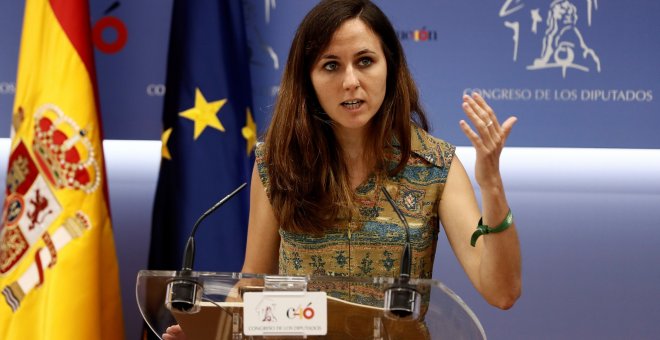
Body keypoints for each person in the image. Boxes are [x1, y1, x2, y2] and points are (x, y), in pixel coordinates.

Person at [164, 0, 520, 338]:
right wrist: (214, 332)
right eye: (331, 65)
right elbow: (254, 284)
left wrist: (492, 188)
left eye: (365, 61)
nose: (350, 81)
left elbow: (501, 292)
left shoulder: (436, 166)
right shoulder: (276, 163)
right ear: (308, 79)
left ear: (390, 67)